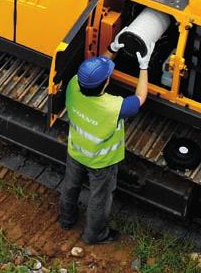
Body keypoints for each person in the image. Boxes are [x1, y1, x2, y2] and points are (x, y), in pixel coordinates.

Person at [58, 28, 155, 245]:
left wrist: (112, 48)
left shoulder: (74, 85)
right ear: (106, 83)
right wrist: (144, 66)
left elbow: (94, 70)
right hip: (101, 162)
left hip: (76, 152)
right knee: (99, 199)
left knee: (70, 187)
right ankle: (95, 235)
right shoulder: (114, 107)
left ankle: (66, 220)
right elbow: (140, 96)